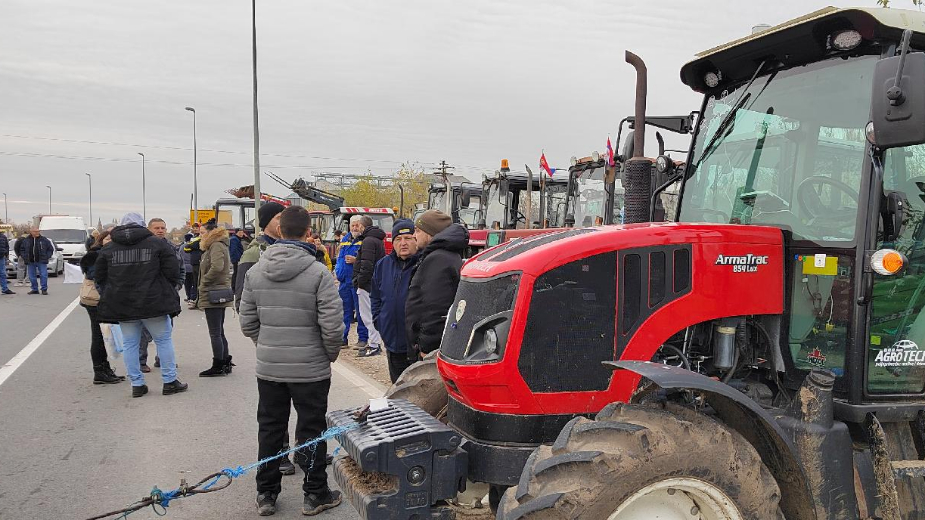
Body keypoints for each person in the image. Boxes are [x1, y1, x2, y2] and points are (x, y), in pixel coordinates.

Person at [239, 206, 344, 516]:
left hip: (270, 368)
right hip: (310, 370)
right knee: (312, 430)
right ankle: (315, 494)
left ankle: (266, 494)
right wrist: (328, 354)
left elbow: (247, 322)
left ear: (281, 231)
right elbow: (332, 325)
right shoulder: (318, 273)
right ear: (308, 232)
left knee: (270, 429)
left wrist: (267, 345)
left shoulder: (256, 271)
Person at [232, 201, 297, 475]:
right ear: (267, 221)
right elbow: (241, 301)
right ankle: (280, 453)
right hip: (272, 342)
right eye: (278, 217)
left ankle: (308, 449)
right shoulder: (254, 253)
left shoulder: (293, 247)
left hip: (298, 339)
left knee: (306, 400)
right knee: (276, 404)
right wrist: (263, 337)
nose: (283, 222)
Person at [95, 212, 187, 398]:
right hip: (154, 301)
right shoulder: (157, 244)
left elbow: (100, 277)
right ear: (143, 226)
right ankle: (169, 381)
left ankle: (137, 384)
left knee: (130, 343)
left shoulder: (109, 249)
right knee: (163, 340)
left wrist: (111, 293)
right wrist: (167, 289)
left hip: (123, 303)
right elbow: (172, 271)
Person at [405, 210, 469, 361]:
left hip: (431, 349)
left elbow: (435, 308)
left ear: (430, 233)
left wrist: (427, 347)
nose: (414, 235)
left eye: (418, 230)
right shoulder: (442, 256)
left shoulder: (438, 260)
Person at [370, 219, 420, 379]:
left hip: (416, 346)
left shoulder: (423, 264)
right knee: (397, 391)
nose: (403, 243)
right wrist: (379, 321)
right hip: (392, 340)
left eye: (408, 238)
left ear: (416, 240)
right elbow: (375, 296)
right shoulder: (383, 265)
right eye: (398, 239)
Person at [139, 218, 186, 372]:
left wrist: (177, 286)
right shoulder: (143, 248)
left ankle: (162, 359)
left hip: (167, 296)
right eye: (156, 228)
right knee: (144, 332)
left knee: (166, 330)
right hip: (148, 296)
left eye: (163, 228)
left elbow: (181, 269)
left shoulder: (171, 247)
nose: (160, 230)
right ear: (149, 229)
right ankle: (141, 361)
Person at [79, 230, 123, 384]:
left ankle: (105, 368)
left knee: (105, 335)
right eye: (108, 238)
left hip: (104, 298)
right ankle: (99, 371)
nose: (111, 241)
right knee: (98, 335)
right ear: (101, 239)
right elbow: (95, 275)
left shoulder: (109, 253)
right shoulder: (94, 255)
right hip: (95, 299)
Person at [196, 219, 234, 377]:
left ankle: (218, 364)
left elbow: (217, 267)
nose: (200, 236)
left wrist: (204, 282)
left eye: (203, 233)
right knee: (219, 331)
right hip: (216, 290)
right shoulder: (215, 245)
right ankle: (224, 361)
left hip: (214, 292)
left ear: (211, 233)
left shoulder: (216, 245)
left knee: (215, 332)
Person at [352, 216, 386, 356]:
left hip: (367, 284)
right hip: (374, 282)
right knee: (371, 314)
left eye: (358, 225)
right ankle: (374, 343)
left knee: (367, 315)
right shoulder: (376, 240)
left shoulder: (368, 241)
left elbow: (366, 264)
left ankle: (374, 344)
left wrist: (360, 281)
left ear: (362, 226)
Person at [334, 218, 368, 349]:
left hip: (357, 281)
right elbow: (340, 258)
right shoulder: (345, 240)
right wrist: (338, 272)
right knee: (344, 312)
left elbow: (367, 260)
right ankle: (343, 338)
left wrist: (356, 260)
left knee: (360, 312)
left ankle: (363, 339)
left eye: (357, 225)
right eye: (353, 225)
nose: (354, 228)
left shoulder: (365, 241)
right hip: (344, 282)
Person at [22, 227, 54, 295]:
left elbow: (50, 249)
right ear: (31, 232)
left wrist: (47, 256)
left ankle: (44, 289)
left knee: (43, 275)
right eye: (35, 231)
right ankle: (34, 289)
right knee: (31, 276)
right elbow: (22, 249)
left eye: (38, 231)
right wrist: (24, 257)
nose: (37, 233)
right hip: (30, 261)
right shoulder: (26, 240)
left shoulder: (44, 240)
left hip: (41, 261)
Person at [183, 222, 203, 308]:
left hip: (200, 262)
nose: (195, 229)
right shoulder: (193, 238)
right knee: (195, 282)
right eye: (194, 228)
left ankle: (198, 300)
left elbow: (198, 246)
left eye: (197, 228)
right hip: (194, 263)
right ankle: (194, 299)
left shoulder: (201, 238)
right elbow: (186, 248)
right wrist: (192, 245)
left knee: (199, 282)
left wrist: (192, 245)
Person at [229, 228, 246, 292]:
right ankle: (234, 288)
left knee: (236, 273)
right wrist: (236, 259)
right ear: (236, 233)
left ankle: (235, 287)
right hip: (237, 259)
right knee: (236, 274)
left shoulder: (237, 239)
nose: (242, 234)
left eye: (242, 232)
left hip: (237, 259)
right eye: (240, 232)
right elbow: (233, 250)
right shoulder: (234, 239)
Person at [180, 233, 194, 302]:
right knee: (194, 283)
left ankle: (188, 296)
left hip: (185, 267)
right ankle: (193, 297)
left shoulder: (182, 247)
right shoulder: (194, 246)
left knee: (187, 284)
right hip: (193, 267)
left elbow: (180, 256)